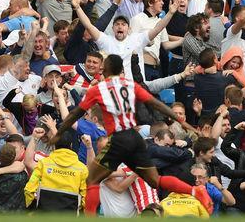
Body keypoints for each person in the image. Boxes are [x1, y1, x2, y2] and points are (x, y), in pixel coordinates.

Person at [51, 54, 207, 215]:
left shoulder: (98, 89)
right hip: (135, 137)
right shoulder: (130, 85)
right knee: (155, 180)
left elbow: (75, 114)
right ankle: (195, 192)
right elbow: (156, 104)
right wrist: (182, 121)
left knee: (92, 179)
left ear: (107, 69)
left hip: (119, 139)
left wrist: (59, 132)